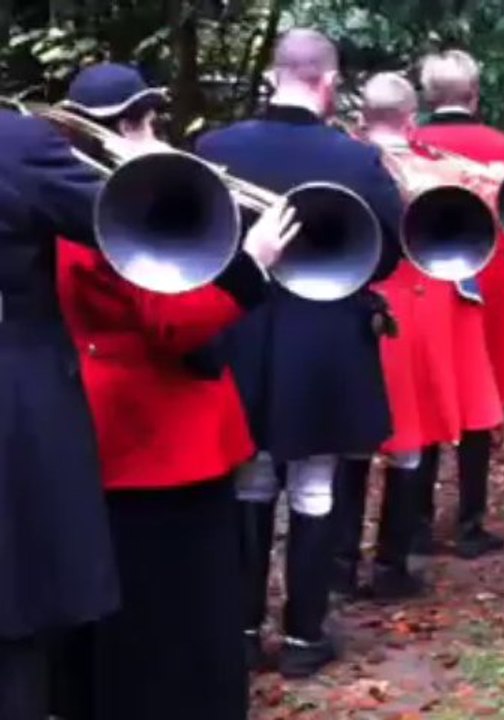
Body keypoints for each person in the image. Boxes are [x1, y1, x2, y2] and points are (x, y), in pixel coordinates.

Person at [52, 63, 301, 719]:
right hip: (158, 442)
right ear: (131, 124)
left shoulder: (61, 193)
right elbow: (172, 323)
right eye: (151, 122)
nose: (158, 134)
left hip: (105, 433)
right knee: (179, 614)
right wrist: (254, 264)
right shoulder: (115, 204)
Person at [195, 28, 405, 678]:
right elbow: (389, 256)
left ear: (274, 75)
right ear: (329, 81)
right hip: (323, 348)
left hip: (242, 333)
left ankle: (238, 629)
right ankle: (304, 637)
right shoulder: (356, 161)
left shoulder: (213, 150)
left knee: (251, 482)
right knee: (313, 485)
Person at [331, 72, 504, 600]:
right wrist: (499, 175)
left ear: (363, 116)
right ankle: (391, 566)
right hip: (416, 315)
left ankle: (339, 566)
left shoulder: (340, 163)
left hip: (353, 309)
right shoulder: (440, 174)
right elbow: (488, 220)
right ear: (412, 119)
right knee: (410, 441)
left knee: (353, 444)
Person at [0, 88, 122, 720]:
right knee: (16, 616)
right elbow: (123, 220)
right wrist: (150, 163)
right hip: (15, 411)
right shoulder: (17, 144)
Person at [409, 48, 504, 557]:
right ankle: (470, 523)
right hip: (489, 283)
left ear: (426, 96)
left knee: (425, 396)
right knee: (480, 403)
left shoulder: (405, 145)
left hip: (424, 285)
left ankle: (413, 522)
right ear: (475, 94)